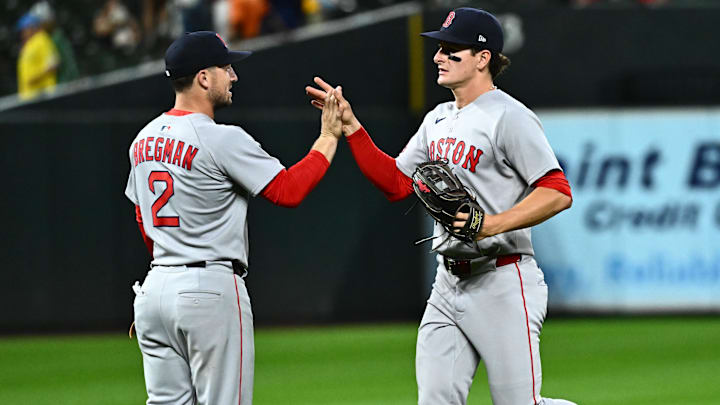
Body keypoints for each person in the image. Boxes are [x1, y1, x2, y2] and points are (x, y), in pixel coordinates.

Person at [306, 7, 577, 405]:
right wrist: (352, 128)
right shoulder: (438, 119)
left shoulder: (509, 117)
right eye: (439, 48)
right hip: (448, 283)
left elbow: (557, 190)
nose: (438, 56)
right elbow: (398, 184)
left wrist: (492, 224)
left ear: (483, 58)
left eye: (452, 50)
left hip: (502, 279)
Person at [125, 31, 342, 404]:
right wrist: (329, 135)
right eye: (226, 68)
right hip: (208, 290)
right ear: (203, 78)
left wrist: (165, 283)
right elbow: (288, 190)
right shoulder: (220, 138)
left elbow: (144, 220)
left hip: (155, 291)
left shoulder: (141, 140)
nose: (234, 76)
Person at [30, 1, 80, 83]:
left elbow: (57, 63)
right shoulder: (53, 37)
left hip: (66, 83)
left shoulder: (56, 38)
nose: (37, 27)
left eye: (39, 23)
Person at [16, 12, 59, 100]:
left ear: (31, 27)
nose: (22, 34)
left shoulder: (41, 39)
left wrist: (35, 78)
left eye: (24, 30)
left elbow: (53, 64)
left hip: (43, 95)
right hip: (29, 97)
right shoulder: (27, 46)